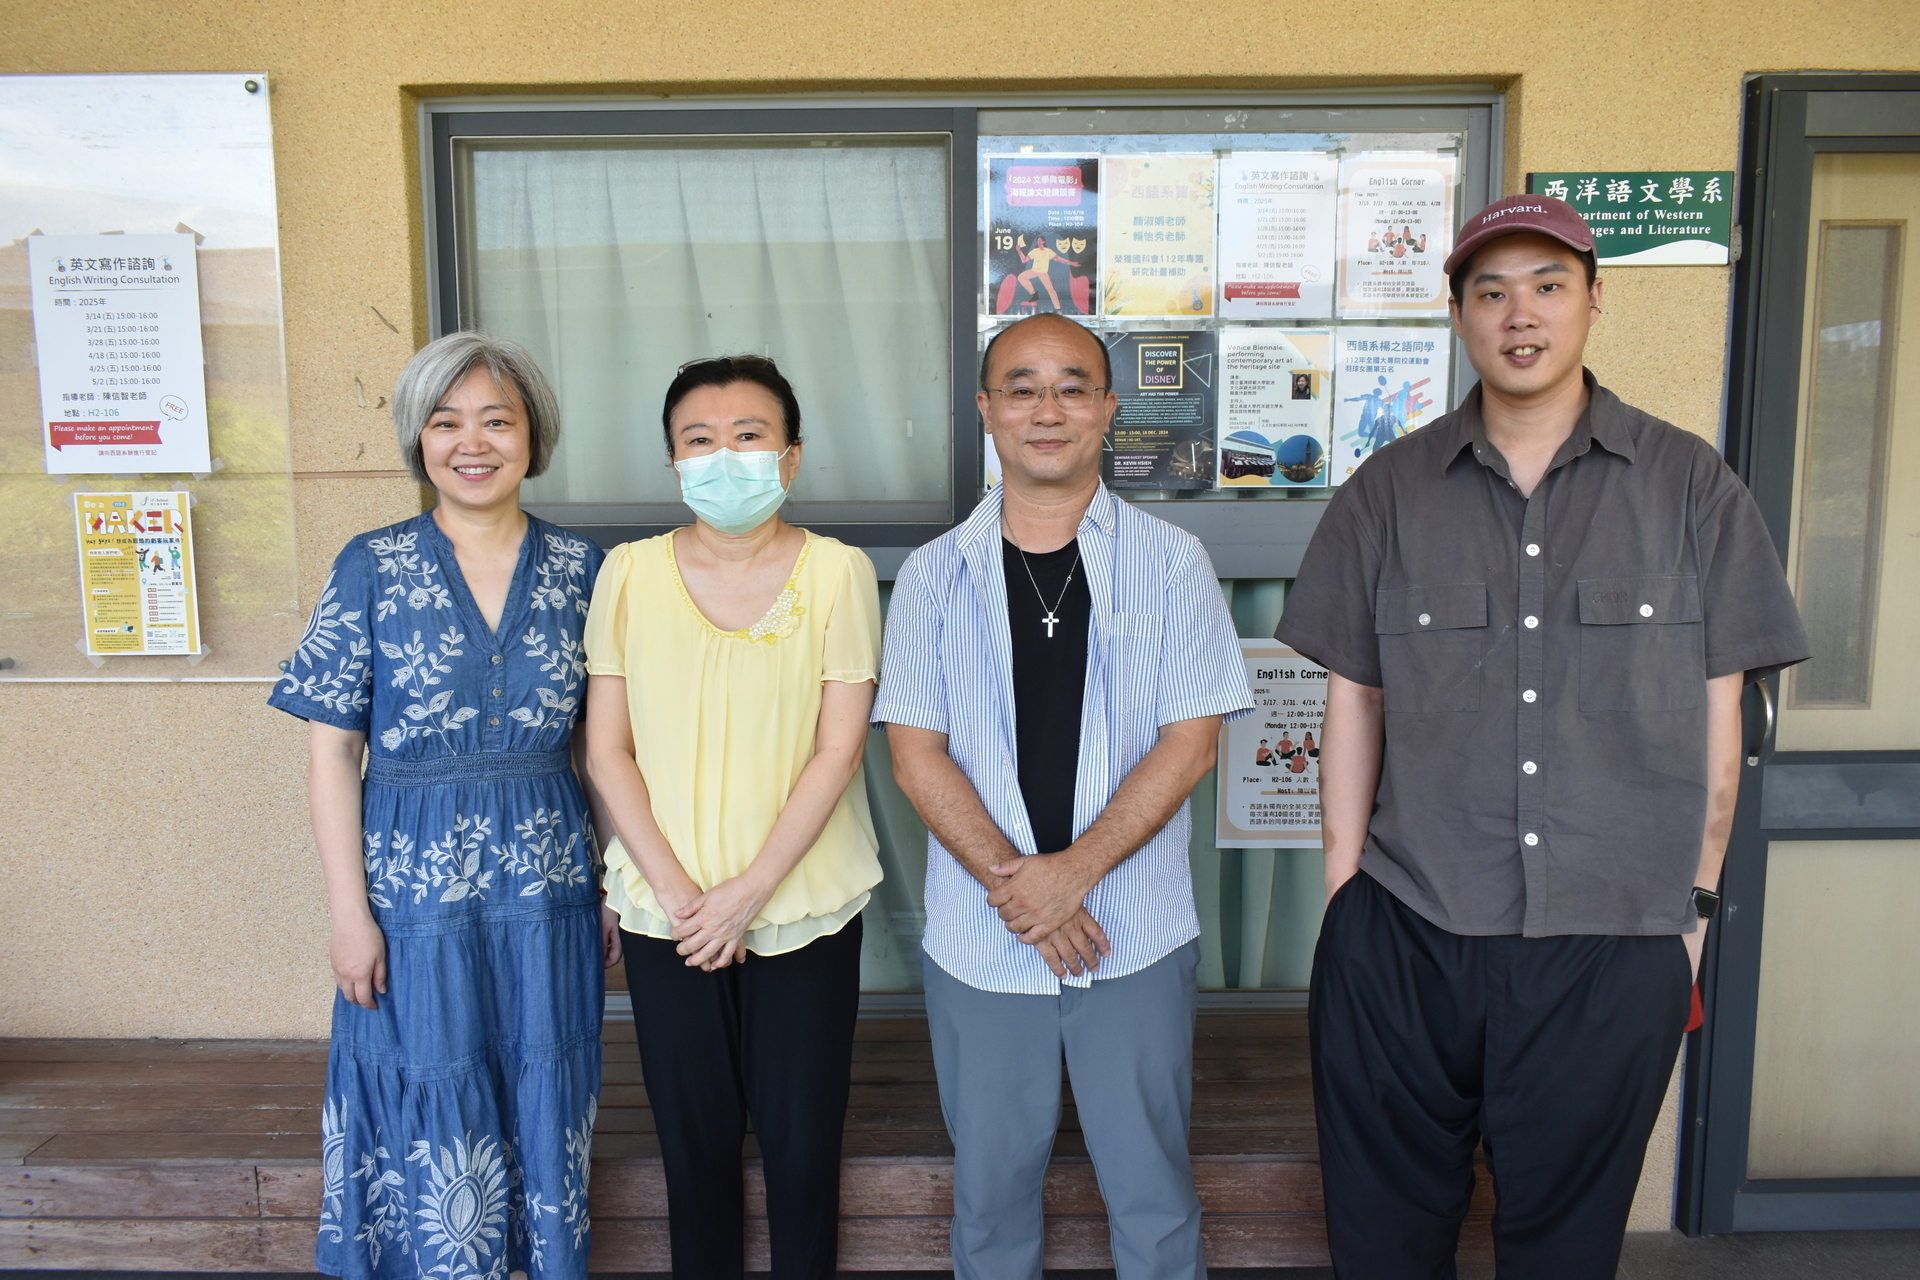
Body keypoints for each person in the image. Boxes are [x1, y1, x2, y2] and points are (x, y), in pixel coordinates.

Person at [1277, 195, 1810, 1278]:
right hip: (1410, 923)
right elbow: (1356, 700)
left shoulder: (1691, 485)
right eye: (1492, 290)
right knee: (1383, 1240)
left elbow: (1725, 720)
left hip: (1613, 940)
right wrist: (1346, 898)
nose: (1521, 313)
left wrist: (1691, 917)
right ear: (1461, 315)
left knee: (1564, 1249)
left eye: (1549, 284)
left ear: (1594, 300)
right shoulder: (1388, 490)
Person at [874, 314, 1252, 1280]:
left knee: (1153, 1192)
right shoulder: (932, 577)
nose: (1048, 409)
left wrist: (1073, 875)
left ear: (1110, 409)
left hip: (1134, 929)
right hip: (982, 936)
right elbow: (916, 754)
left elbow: (1193, 741)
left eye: (1073, 386)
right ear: (987, 410)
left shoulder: (1172, 564)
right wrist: (1024, 891)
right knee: (991, 1194)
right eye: (1023, 386)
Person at [271, 332, 617, 1280]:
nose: (473, 442)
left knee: (545, 1081)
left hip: (547, 886)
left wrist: (615, 883)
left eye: (497, 421)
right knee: (426, 1081)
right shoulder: (371, 566)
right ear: (417, 441)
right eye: (445, 421)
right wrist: (349, 915)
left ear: (533, 437)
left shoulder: (587, 571)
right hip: (411, 896)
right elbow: (333, 749)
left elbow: (603, 747)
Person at [582, 355, 883, 1280]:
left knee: (802, 1155)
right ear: (673, 461)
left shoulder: (838, 573)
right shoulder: (629, 576)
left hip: (805, 907)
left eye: (749, 437)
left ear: (789, 458)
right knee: (695, 1152)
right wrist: (681, 897)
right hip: (666, 912)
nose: (725, 456)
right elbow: (607, 751)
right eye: (699, 441)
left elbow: (840, 749)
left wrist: (745, 896)